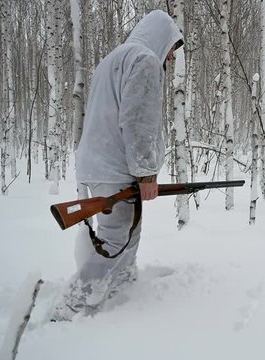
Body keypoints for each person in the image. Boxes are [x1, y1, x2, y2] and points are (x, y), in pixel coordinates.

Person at [51, 10, 183, 321]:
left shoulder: (113, 59)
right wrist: (146, 172)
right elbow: (138, 121)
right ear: (162, 38)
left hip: (97, 164)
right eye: (172, 50)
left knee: (127, 230)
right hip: (114, 167)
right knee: (114, 239)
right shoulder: (145, 60)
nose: (171, 58)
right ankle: (72, 305)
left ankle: (120, 286)